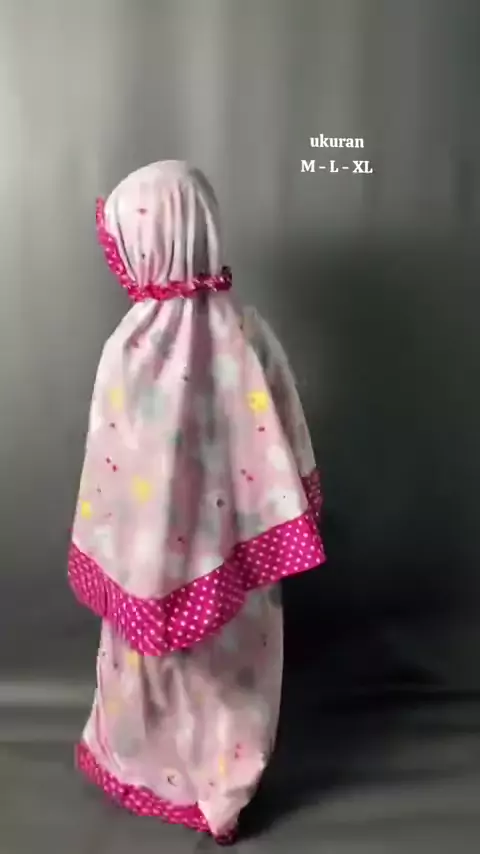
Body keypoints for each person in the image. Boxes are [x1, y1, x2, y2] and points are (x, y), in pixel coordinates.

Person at [68, 160, 325, 844]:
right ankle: (217, 779)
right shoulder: (248, 334)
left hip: (165, 562)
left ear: (155, 239)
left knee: (194, 670)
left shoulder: (132, 349)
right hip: (227, 565)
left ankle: (194, 776)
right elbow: (287, 436)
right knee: (217, 673)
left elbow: (110, 468)